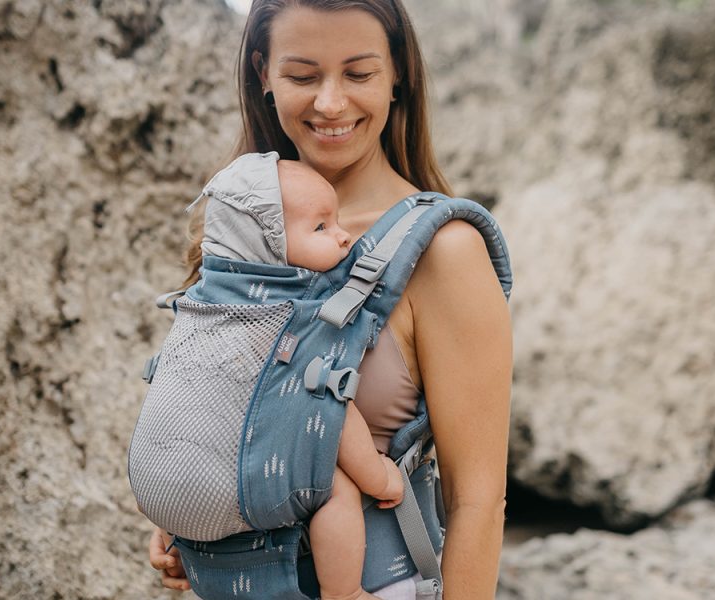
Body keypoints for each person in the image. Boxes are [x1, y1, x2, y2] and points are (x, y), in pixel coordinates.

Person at [148, 1, 512, 598]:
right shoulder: (241, 236)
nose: (331, 103)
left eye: (359, 73)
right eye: (302, 75)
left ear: (399, 75)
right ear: (262, 74)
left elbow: (477, 499)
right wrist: (187, 516)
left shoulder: (444, 252)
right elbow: (214, 399)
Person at [192, 150, 405, 600]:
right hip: (252, 491)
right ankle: (344, 592)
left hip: (186, 486)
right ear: (268, 244)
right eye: (322, 227)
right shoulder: (297, 319)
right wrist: (378, 478)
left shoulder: (206, 307)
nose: (344, 236)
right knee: (335, 488)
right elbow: (328, 410)